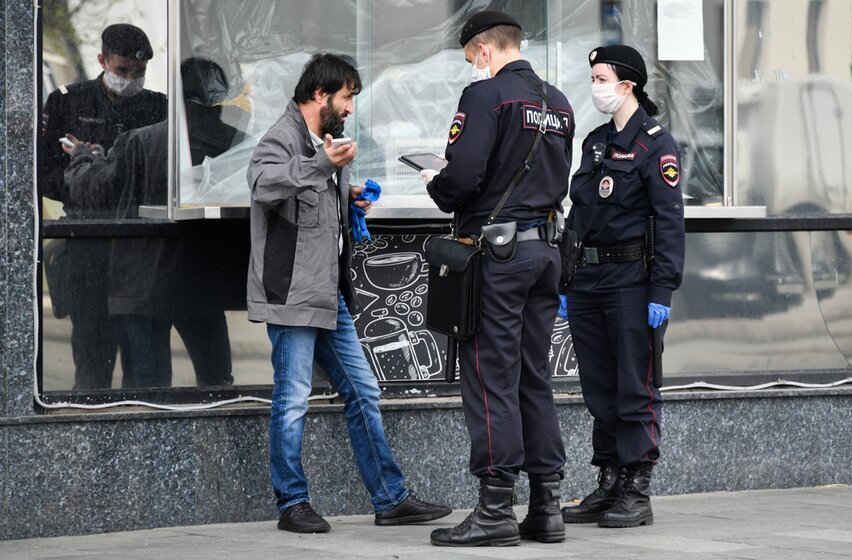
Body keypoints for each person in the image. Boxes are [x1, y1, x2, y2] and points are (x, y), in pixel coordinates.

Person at [245, 53, 451, 534]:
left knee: (363, 391)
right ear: (320, 95)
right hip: (293, 295)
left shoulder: (325, 141)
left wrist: (348, 195)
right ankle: (292, 503)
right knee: (292, 399)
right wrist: (323, 164)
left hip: (327, 293)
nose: (351, 107)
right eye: (346, 97)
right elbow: (263, 184)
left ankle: (390, 499)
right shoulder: (282, 138)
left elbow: (313, 199)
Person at [422, 10, 574, 547]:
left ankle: (494, 509)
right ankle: (546, 507)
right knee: (534, 375)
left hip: (499, 259)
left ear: (484, 50)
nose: (473, 67)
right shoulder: (559, 102)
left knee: (490, 377)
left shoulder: (485, 95)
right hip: (544, 253)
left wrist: (436, 183)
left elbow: (463, 177)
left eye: (471, 58)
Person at [61, 58, 243, 389]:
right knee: (217, 383)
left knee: (150, 389)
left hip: (144, 281)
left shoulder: (140, 141)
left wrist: (82, 157)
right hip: (203, 279)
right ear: (221, 96)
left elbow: (92, 188)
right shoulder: (236, 144)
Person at [561, 45, 685, 528]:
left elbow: (670, 222)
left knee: (635, 387)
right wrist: (566, 279)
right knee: (600, 387)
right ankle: (610, 479)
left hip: (632, 283)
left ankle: (637, 487)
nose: (595, 87)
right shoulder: (595, 142)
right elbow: (578, 215)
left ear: (627, 85)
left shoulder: (656, 145)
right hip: (589, 281)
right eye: (593, 78)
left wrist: (662, 291)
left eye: (601, 78)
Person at [40, 23, 167, 390]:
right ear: (102, 61)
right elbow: (44, 173)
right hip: (89, 242)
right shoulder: (67, 101)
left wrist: (99, 169)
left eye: (138, 72)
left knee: (146, 370)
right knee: (92, 363)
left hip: (139, 248)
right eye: (122, 70)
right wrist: (85, 180)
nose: (130, 80)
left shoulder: (158, 107)